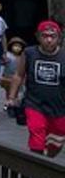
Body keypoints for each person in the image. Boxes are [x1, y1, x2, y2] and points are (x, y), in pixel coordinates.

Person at [7, 20, 65, 158]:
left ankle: (46, 162)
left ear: (59, 38)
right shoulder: (29, 53)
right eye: (45, 36)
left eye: (53, 36)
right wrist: (11, 98)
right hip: (34, 103)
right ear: (38, 37)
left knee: (56, 143)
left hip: (59, 106)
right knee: (37, 135)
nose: (49, 40)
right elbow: (18, 75)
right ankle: (36, 169)